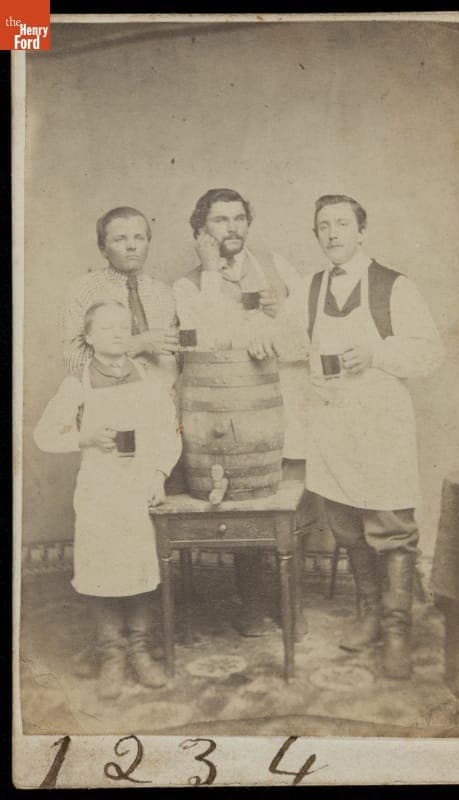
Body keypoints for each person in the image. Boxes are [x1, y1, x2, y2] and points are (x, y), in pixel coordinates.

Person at [298, 194, 443, 679]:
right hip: (332, 429)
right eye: (324, 226)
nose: (333, 233)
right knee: (347, 528)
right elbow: (291, 344)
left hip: (381, 427)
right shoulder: (312, 287)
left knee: (392, 533)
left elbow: (428, 354)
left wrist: (377, 353)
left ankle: (398, 631)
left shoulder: (394, 286)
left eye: (342, 223)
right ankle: (370, 616)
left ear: (362, 231)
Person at [173, 188, 311, 637]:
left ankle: (291, 604)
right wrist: (213, 273)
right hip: (229, 409)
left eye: (238, 219)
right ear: (201, 231)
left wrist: (276, 319)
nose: (231, 228)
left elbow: (304, 344)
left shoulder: (278, 269)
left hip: (283, 404)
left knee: (291, 505)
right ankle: (252, 602)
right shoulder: (189, 285)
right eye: (219, 220)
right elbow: (207, 342)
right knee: (243, 496)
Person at [35, 301, 182, 699]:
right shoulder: (77, 383)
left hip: (137, 490)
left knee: (138, 571)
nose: (118, 333)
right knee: (102, 573)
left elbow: (169, 431)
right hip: (99, 491)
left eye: (123, 326)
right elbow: (44, 436)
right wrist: (82, 438)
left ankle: (139, 651)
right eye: (107, 328)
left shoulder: (148, 377)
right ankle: (111, 655)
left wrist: (158, 474)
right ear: (89, 337)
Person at [63, 206, 179, 385]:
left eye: (139, 238)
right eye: (120, 239)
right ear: (103, 249)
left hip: (160, 400)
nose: (132, 246)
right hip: (107, 400)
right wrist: (137, 344)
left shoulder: (165, 293)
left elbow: (178, 356)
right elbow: (74, 360)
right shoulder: (84, 289)